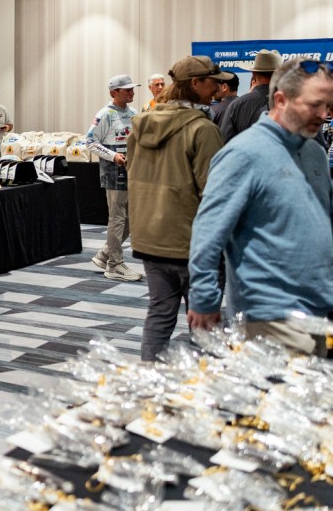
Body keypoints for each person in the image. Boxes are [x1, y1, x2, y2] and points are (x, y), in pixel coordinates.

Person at [188, 58, 333, 356]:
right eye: (315, 105)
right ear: (281, 100)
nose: (324, 115)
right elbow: (208, 233)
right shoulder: (243, 154)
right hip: (269, 314)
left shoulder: (314, 153)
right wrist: (204, 297)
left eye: (329, 105)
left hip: (320, 305)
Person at [128, 56, 230, 361]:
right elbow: (214, 193)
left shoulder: (141, 124)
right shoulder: (202, 129)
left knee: (160, 314)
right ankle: (205, 386)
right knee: (204, 323)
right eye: (213, 82)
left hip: (149, 239)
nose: (218, 88)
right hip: (191, 243)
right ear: (195, 84)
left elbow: (132, 172)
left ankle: (150, 378)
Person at [87, 75, 143, 282]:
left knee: (131, 218)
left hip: (132, 170)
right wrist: (113, 156)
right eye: (127, 90)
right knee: (117, 218)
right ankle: (114, 264)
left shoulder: (134, 113)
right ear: (114, 93)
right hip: (113, 172)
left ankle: (105, 254)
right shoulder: (105, 114)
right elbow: (90, 141)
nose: (131, 92)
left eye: (132, 89)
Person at [219, 49, 280, 142]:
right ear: (279, 74)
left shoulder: (236, 106)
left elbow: (224, 142)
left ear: (253, 74)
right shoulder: (291, 102)